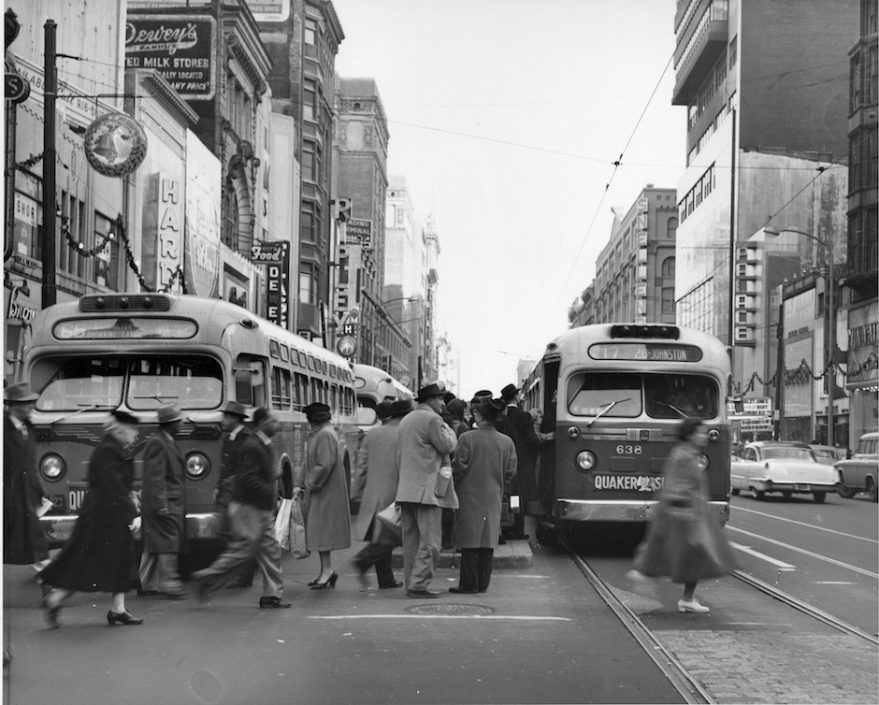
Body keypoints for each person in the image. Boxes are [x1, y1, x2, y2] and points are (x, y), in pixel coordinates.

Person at [39, 409, 144, 628]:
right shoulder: (108, 450)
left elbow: (120, 485)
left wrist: (130, 498)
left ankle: (118, 609)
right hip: (102, 515)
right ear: (121, 430)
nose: (135, 435)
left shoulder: (114, 447)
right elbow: (113, 486)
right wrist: (132, 513)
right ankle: (54, 600)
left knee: (120, 558)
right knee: (87, 564)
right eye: (133, 430)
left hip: (109, 512)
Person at [628, 417, 737, 613]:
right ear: (690, 435)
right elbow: (676, 487)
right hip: (685, 514)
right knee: (691, 555)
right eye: (701, 433)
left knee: (687, 555)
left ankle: (683, 595)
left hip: (689, 512)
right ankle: (651, 577)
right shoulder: (684, 457)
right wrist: (686, 512)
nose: (705, 436)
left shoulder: (687, 454)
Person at [192, 407, 291, 608]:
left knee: (271, 551)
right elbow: (248, 479)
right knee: (242, 551)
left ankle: (272, 595)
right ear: (262, 422)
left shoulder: (260, 443)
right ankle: (207, 577)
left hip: (258, 508)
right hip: (250, 509)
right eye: (273, 421)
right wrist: (269, 489)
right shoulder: (253, 445)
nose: (277, 425)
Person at [395, 381, 458, 598]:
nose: (442, 403)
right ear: (430, 400)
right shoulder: (432, 419)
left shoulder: (407, 419)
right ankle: (419, 584)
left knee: (411, 542)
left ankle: (411, 583)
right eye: (440, 399)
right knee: (431, 542)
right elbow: (447, 446)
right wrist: (450, 430)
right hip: (427, 490)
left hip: (406, 489)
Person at [450, 397, 517, 594]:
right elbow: (511, 471)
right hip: (494, 495)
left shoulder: (467, 438)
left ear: (480, 416)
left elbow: (458, 467)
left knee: (469, 540)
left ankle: (468, 583)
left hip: (469, 495)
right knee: (487, 539)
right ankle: (482, 582)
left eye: (476, 413)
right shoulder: (506, 442)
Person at [350, 398, 413, 589]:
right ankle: (363, 560)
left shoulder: (373, 434)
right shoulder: (405, 434)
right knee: (391, 536)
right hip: (395, 493)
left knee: (382, 535)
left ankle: (386, 579)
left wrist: (356, 491)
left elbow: (362, 466)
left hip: (373, 492)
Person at [295, 402, 351, 589]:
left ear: (313, 420)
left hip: (324, 491)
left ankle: (327, 571)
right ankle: (325, 571)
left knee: (321, 531)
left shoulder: (324, 435)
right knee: (321, 532)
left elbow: (324, 464)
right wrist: (302, 483)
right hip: (324, 490)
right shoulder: (323, 433)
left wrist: (308, 483)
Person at [138, 403, 187, 599]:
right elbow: (154, 478)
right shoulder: (159, 444)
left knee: (154, 543)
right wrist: (160, 504)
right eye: (178, 422)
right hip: (165, 502)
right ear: (169, 424)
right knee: (167, 541)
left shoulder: (166, 440)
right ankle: (169, 582)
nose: (181, 424)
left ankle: (146, 583)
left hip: (168, 500)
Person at [3, 383, 49, 569]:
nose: (32, 406)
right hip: (8, 495)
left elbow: (29, 467)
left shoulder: (28, 429)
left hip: (26, 494)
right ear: (14, 405)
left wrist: (39, 491)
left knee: (34, 540)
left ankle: (48, 585)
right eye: (27, 403)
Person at [215, 400, 256, 589]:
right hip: (227, 490)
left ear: (234, 419)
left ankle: (243, 574)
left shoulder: (246, 438)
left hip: (237, 491)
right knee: (227, 531)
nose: (223, 420)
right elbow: (225, 465)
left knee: (235, 532)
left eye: (226, 417)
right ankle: (241, 571)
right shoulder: (229, 436)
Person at [496, 383, 542, 541]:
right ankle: (518, 529)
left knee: (508, 495)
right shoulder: (524, 416)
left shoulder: (502, 415)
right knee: (518, 496)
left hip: (504, 459)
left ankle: (507, 528)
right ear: (516, 397)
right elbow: (532, 439)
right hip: (521, 462)